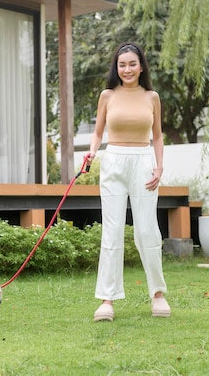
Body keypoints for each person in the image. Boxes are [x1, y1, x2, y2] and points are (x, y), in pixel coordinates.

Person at [86, 41, 171, 322]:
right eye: (122, 65)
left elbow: (157, 136)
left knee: (147, 230)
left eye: (132, 64)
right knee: (111, 232)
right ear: (117, 67)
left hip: (143, 162)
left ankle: (157, 294)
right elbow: (98, 133)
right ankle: (107, 300)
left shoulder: (152, 97)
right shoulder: (107, 96)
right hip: (114, 162)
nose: (127, 69)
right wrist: (91, 151)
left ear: (142, 66)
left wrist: (159, 167)